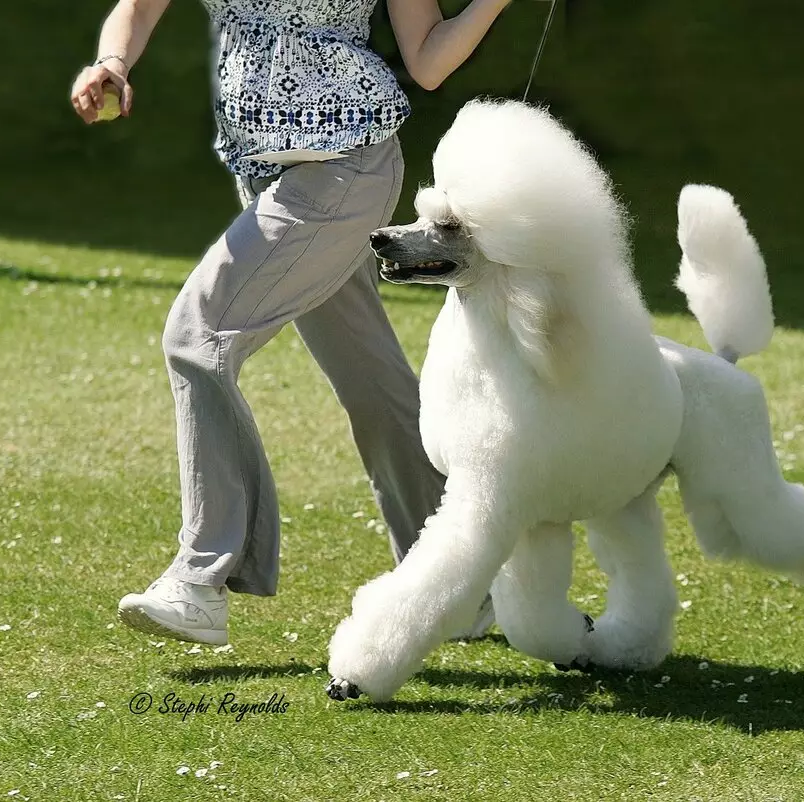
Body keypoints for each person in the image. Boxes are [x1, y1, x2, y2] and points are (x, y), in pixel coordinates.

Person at [69, 0, 512, 646]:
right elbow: (136, 9)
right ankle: (456, 589)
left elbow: (429, 58)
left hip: (347, 169)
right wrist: (112, 62)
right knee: (372, 381)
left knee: (200, 335)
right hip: (270, 179)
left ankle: (200, 580)